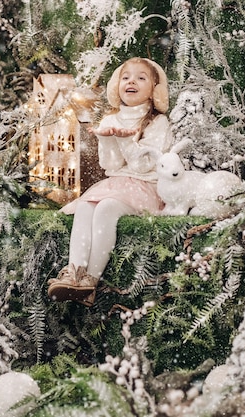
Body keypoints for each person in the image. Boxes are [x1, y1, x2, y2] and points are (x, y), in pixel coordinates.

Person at [47, 57, 173, 307]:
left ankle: (90, 281)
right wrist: (107, 140)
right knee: (85, 206)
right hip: (115, 183)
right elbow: (111, 165)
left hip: (144, 186)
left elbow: (143, 165)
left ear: (154, 89)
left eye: (141, 77)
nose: (131, 82)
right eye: (126, 77)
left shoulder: (158, 122)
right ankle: (75, 273)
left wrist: (126, 140)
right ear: (117, 84)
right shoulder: (110, 119)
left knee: (106, 208)